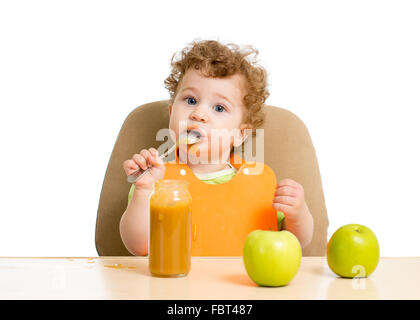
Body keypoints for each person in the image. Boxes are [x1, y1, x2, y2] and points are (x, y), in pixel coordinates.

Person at [120, 39, 314, 256]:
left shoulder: (257, 182)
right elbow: (138, 247)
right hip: (175, 286)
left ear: (240, 134)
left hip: (244, 287)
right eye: (191, 100)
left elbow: (297, 242)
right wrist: (143, 190)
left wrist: (298, 214)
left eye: (219, 107)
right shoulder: (153, 180)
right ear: (172, 111)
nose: (199, 114)